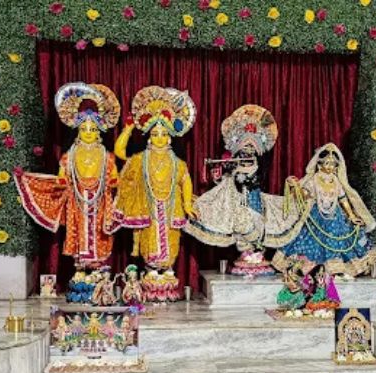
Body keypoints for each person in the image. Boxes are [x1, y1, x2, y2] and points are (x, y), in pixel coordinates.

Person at [185, 105, 300, 276]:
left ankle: (256, 251)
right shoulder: (233, 163)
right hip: (236, 196)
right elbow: (224, 177)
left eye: (252, 150)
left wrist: (248, 175)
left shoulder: (256, 164)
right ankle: (245, 251)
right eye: (245, 150)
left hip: (253, 194)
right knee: (239, 222)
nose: (248, 153)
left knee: (258, 221)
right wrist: (224, 172)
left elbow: (257, 175)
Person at [16, 83, 121, 268]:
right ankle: (80, 267)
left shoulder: (106, 155)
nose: (88, 133)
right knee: (80, 231)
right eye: (84, 129)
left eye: (92, 129)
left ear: (99, 132)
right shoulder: (70, 155)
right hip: (77, 201)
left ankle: (97, 268)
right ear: (78, 131)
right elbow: (62, 177)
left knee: (98, 233)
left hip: (100, 202)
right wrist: (60, 180)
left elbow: (114, 178)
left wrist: (114, 180)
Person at [114, 86, 197, 301]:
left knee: (171, 239)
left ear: (170, 137)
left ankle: (168, 269)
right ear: (149, 137)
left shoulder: (178, 163)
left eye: (163, 134)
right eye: (155, 134)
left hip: (171, 208)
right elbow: (120, 152)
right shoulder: (140, 159)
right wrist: (128, 129)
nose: (159, 138)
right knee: (150, 238)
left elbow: (185, 181)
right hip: (148, 208)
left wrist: (188, 204)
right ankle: (151, 270)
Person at [274, 143, 376, 276]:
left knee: (341, 238)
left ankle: (338, 268)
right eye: (327, 163)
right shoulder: (314, 179)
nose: (330, 167)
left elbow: (343, 199)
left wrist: (352, 215)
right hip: (316, 215)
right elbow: (305, 194)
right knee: (307, 239)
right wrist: (296, 187)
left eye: (333, 164)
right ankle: (308, 268)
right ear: (319, 165)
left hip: (335, 216)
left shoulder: (336, 181)